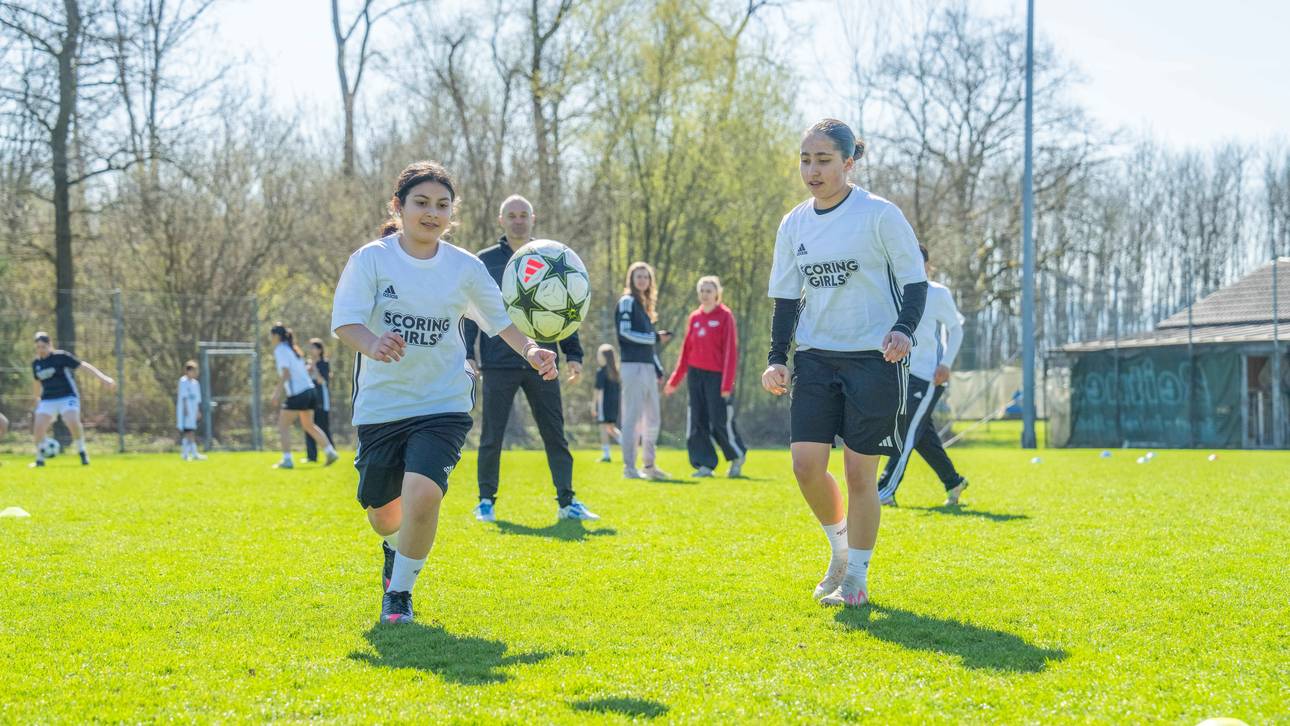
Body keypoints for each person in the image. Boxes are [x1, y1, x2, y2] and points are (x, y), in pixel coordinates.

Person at [331, 161, 558, 625]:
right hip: (383, 406)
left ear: (452, 214)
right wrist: (372, 343)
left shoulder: (465, 268)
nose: (432, 213)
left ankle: (399, 595)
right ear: (399, 206)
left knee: (423, 493)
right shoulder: (371, 259)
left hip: (444, 403)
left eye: (442, 205)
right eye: (421, 203)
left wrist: (533, 349)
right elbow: (345, 321)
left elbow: (502, 322)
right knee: (384, 516)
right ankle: (395, 552)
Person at [762, 119, 927, 608]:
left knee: (859, 474)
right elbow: (786, 299)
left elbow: (915, 284)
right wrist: (777, 358)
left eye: (823, 160)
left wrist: (903, 330)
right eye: (805, 160)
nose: (812, 170)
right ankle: (838, 550)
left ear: (848, 163)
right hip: (815, 358)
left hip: (874, 360)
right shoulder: (794, 223)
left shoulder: (879, 215)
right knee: (805, 466)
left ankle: (856, 577)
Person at [461, 194, 598, 523]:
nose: (518, 220)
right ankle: (485, 503)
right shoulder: (485, 261)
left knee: (555, 434)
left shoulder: (552, 255)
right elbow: (473, 311)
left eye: (524, 214)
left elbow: (567, 308)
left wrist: (573, 354)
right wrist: (468, 354)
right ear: (501, 220)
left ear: (533, 218)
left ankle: (567, 501)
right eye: (512, 215)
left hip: (543, 361)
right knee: (492, 435)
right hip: (497, 361)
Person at [877, 245, 969, 507]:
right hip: (898, 375)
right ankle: (953, 481)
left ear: (928, 266)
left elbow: (956, 330)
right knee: (922, 435)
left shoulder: (938, 293)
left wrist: (946, 364)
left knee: (905, 433)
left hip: (928, 377)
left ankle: (884, 490)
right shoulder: (892, 291)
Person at [664, 275, 747, 478]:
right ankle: (704, 464)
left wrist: (727, 383)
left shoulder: (725, 316)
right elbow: (686, 352)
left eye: (709, 291)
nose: (705, 294)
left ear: (717, 293)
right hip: (695, 375)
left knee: (719, 421)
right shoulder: (694, 317)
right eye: (702, 290)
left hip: (717, 377)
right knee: (696, 421)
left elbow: (730, 353)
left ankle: (737, 456)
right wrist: (674, 380)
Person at [617, 262, 673, 480]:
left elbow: (649, 347)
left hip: (648, 368)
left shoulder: (645, 307)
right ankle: (629, 468)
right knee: (632, 419)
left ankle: (649, 466)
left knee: (653, 419)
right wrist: (656, 337)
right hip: (632, 367)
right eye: (638, 276)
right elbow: (624, 333)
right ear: (631, 279)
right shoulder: (626, 302)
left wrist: (658, 368)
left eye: (645, 277)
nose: (642, 280)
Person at [30, 331, 115, 467]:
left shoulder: (60, 357)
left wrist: (103, 378)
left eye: (43, 347)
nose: (41, 350)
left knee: (72, 421)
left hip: (67, 396)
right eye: (38, 347)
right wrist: (36, 400)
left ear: (50, 345)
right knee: (38, 428)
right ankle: (40, 459)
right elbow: (37, 383)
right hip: (48, 399)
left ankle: (82, 451)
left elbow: (83, 366)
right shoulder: (36, 363)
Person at [270, 323, 338, 469]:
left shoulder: (281, 350)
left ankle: (287, 460)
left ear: (276, 336)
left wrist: (276, 393)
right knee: (308, 425)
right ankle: (330, 452)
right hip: (310, 391)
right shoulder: (292, 349)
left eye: (271, 336)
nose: (270, 339)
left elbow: (286, 373)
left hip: (299, 393)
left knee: (282, 426)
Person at [303, 338, 333, 463]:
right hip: (309, 398)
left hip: (321, 398)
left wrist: (314, 368)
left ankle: (332, 451)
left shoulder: (324, 363)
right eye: (309, 347)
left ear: (319, 349)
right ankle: (311, 456)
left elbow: (322, 381)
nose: (310, 350)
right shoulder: (307, 363)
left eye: (313, 347)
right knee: (308, 425)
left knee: (323, 427)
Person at [593, 344, 622, 462]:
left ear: (604, 357)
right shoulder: (616, 372)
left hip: (603, 405)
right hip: (614, 405)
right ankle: (628, 445)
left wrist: (593, 406)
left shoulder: (601, 372)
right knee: (610, 428)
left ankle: (606, 455)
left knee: (603, 429)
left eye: (599, 355)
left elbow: (597, 390)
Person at [176, 360, 206, 461]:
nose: (194, 373)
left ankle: (187, 454)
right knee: (189, 432)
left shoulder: (195, 383)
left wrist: (197, 411)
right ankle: (192, 453)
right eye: (192, 371)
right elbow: (183, 397)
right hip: (186, 411)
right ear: (187, 371)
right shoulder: (183, 381)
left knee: (190, 432)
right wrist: (185, 410)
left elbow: (197, 400)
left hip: (193, 411)